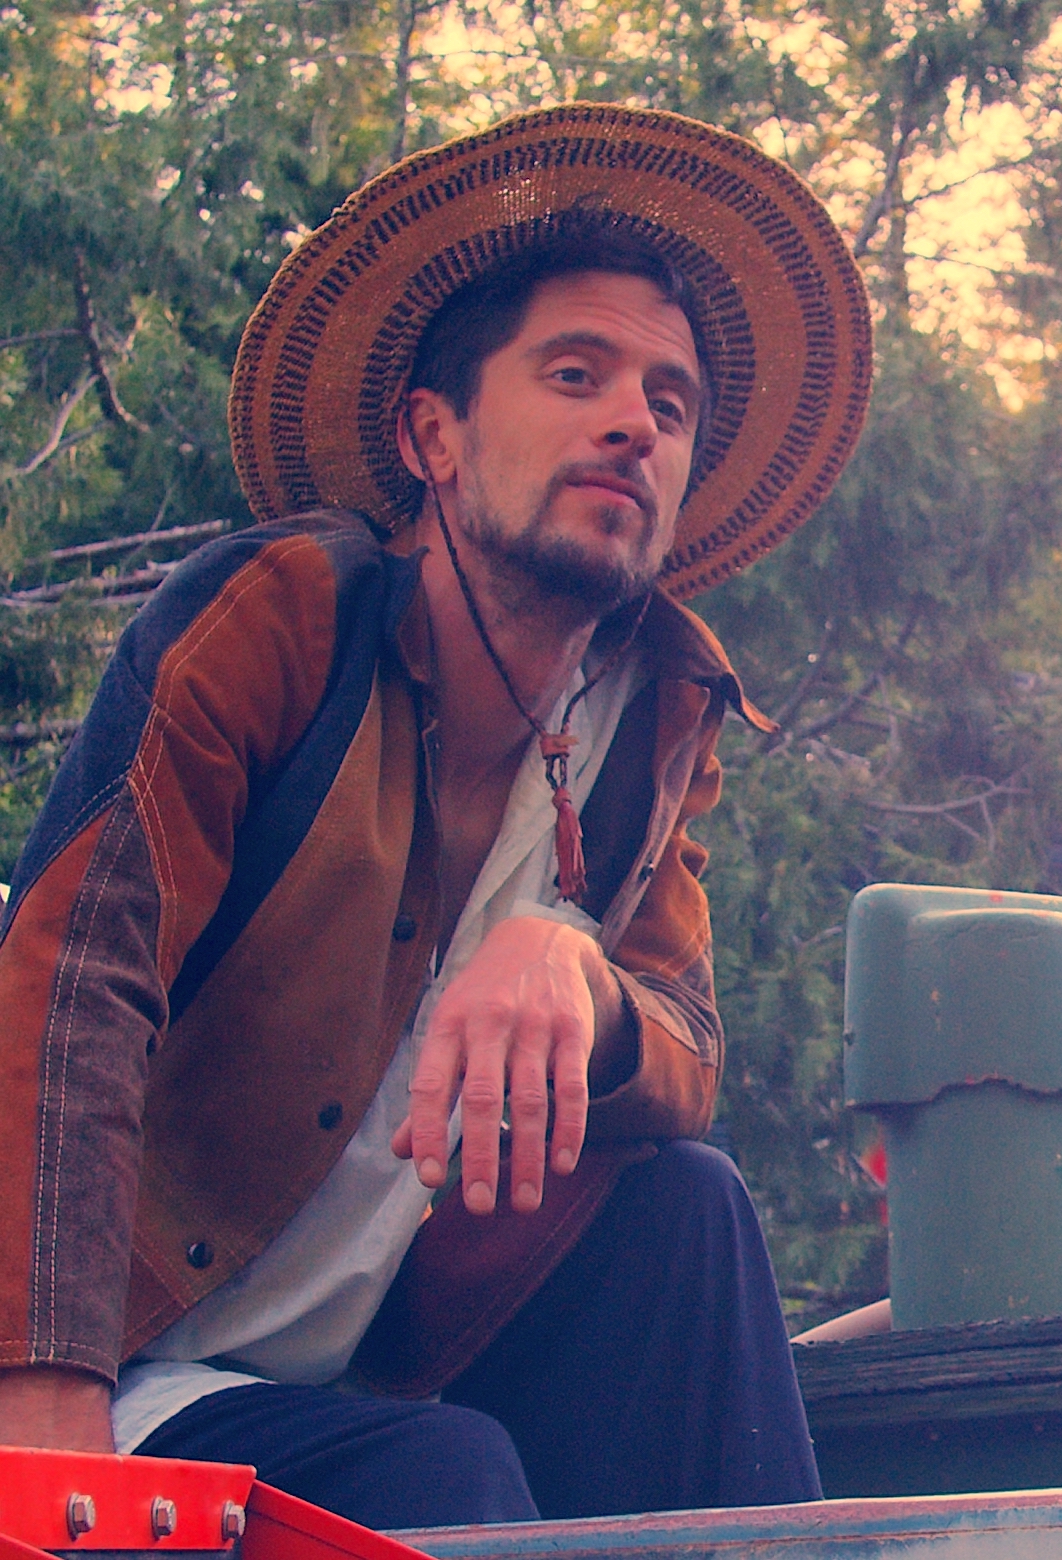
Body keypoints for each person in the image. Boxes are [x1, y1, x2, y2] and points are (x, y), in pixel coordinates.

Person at [0, 105, 872, 1529]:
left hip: (377, 1355)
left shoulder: (650, 715)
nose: (633, 424)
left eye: (670, 405)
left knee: (689, 1209)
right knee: (443, 1479)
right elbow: (69, 985)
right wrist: (44, 1408)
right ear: (434, 435)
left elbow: (686, 1041)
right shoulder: (282, 626)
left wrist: (575, 968)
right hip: (130, 1366)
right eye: (575, 375)